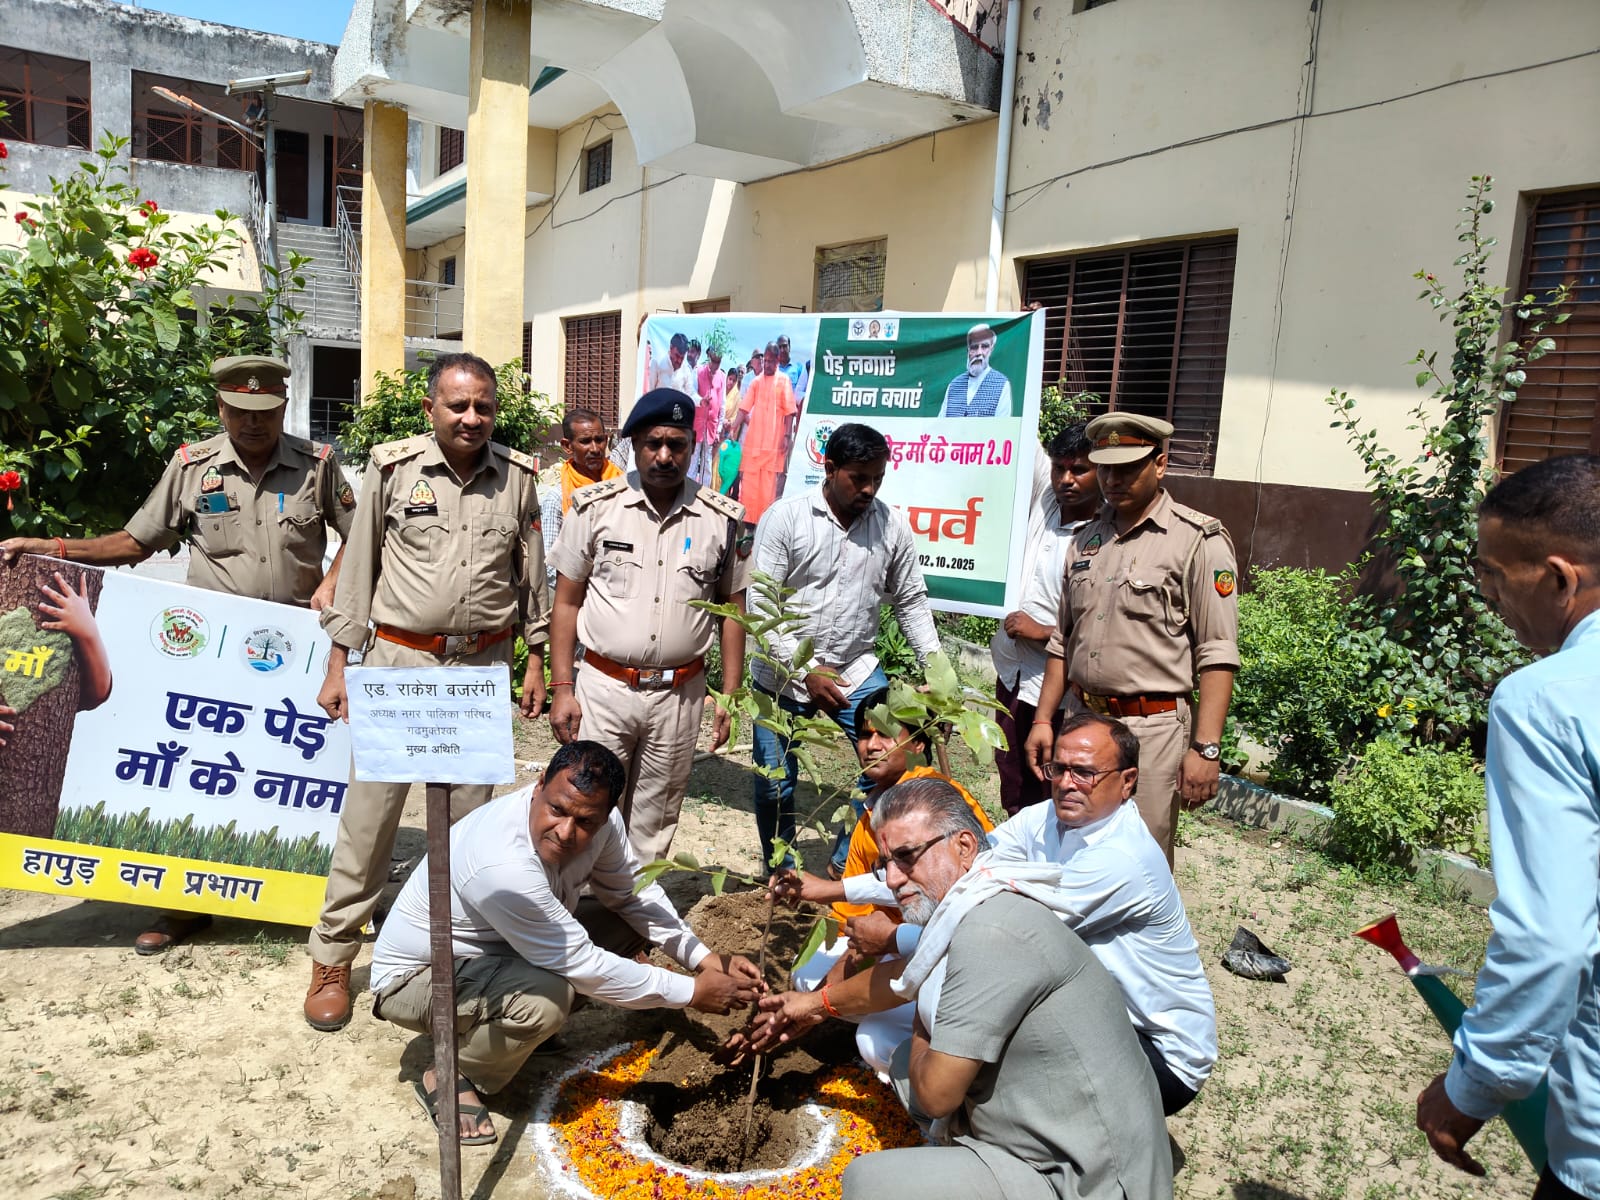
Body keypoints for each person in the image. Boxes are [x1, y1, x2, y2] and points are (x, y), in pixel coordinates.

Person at [1, 354, 354, 955]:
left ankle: (295, 894)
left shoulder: (317, 466)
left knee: (290, 778)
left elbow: (361, 532)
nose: (253, 424)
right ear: (221, 408)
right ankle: (184, 903)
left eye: (265, 412)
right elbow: (136, 540)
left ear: (282, 408)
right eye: (240, 412)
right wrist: (53, 545)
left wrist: (334, 579)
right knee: (201, 774)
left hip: (296, 652)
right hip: (210, 660)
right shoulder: (193, 468)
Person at [764, 776, 1173, 1199]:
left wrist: (923, 1027)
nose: (891, 879)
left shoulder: (990, 933)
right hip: (1057, 1139)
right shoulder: (979, 899)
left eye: (906, 857)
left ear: (963, 845)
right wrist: (815, 1004)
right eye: (884, 863)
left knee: (871, 1180)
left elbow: (937, 1095)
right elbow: (906, 978)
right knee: (903, 1058)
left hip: (1086, 1178)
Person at [304, 351, 549, 1032]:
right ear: (431, 409)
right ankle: (332, 956)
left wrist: (535, 661)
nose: (472, 418)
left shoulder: (518, 479)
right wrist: (338, 664)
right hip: (399, 665)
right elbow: (357, 572)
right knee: (371, 818)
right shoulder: (391, 469)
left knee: (469, 825)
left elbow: (532, 575)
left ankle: (449, 953)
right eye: (458, 405)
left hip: (477, 672)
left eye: (484, 407)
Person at [369, 740, 764, 1145]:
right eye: (557, 810)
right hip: (417, 978)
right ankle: (453, 1071)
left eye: (585, 821)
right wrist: (693, 991)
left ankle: (511, 1032)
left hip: (503, 949)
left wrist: (704, 959)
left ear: (607, 813)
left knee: (626, 923)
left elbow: (633, 894)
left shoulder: (601, 825)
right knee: (547, 998)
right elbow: (582, 964)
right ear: (539, 784)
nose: (565, 831)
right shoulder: (502, 864)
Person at [1414, 454, 1600, 1200]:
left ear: (1558, 578)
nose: (1489, 598)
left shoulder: (1546, 702)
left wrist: (1471, 1090)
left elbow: (1552, 939)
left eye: (1494, 577)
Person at [1025, 412, 1238, 864]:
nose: (1112, 479)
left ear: (1159, 464)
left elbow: (1217, 652)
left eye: (1127, 468)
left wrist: (1206, 748)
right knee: (1072, 845)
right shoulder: (1087, 541)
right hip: (1082, 719)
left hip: (1152, 728)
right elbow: (1064, 640)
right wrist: (1044, 719)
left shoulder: (1198, 539)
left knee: (1140, 858)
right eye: (1105, 467)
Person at [547, 388, 749, 864]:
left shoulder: (722, 519)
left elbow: (733, 612)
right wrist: (561, 685)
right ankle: (575, 911)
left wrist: (731, 695)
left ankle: (629, 920)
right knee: (587, 801)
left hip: (681, 695)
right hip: (604, 687)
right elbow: (566, 602)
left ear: (693, 446)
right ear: (633, 445)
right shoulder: (595, 507)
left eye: (676, 444)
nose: (664, 456)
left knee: (656, 815)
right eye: (653, 443)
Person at [746, 422, 940, 871]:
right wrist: (805, 670)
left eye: (878, 478)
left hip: (856, 668)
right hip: (783, 674)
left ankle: (843, 865)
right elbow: (760, 603)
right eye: (860, 477)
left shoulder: (891, 526)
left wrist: (937, 672)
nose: (870, 488)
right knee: (775, 784)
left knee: (896, 761)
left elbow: (910, 600)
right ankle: (784, 872)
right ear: (829, 469)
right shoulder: (787, 518)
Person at [770, 689, 993, 1075]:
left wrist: (820, 1005)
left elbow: (965, 898)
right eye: (864, 735)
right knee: (807, 978)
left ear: (917, 743)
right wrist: (818, 997)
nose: (871, 746)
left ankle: (931, 1072)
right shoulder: (870, 813)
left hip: (961, 948)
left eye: (886, 735)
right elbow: (855, 923)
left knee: (872, 1037)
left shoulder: (935, 802)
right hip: (902, 937)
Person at [991, 423, 1100, 815]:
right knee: (1013, 778)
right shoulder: (1044, 508)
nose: (1066, 480)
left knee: (1053, 784)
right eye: (1060, 468)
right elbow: (1023, 432)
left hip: (1060, 689)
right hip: (1012, 675)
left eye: (1079, 470)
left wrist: (1041, 632)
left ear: (1102, 472)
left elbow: (1103, 630)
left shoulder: (1108, 536)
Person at [538, 407, 624, 589]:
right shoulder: (557, 499)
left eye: (599, 440)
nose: (595, 449)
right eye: (585, 441)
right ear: (567, 446)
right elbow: (551, 566)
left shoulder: (624, 487)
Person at [729, 341, 799, 527]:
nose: (767, 365)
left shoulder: (783, 380)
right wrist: (733, 427)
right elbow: (744, 408)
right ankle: (748, 522)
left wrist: (787, 437)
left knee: (767, 487)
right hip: (754, 443)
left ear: (777, 361)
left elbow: (790, 411)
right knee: (750, 483)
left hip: (773, 443)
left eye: (770, 361)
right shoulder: (756, 382)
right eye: (765, 361)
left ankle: (764, 522)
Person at [940, 324, 1014, 419]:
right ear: (968, 350)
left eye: (984, 346)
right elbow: (941, 425)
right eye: (974, 347)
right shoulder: (953, 385)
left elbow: (1002, 427)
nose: (979, 353)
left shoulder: (1002, 384)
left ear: (991, 349)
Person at [692, 348, 726, 486]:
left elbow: (722, 405)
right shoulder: (698, 371)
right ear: (708, 357)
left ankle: (704, 495)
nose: (715, 365)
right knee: (693, 460)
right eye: (713, 361)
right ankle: (688, 492)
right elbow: (692, 395)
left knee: (707, 462)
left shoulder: (722, 376)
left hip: (711, 427)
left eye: (718, 362)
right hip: (698, 423)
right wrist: (701, 400)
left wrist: (718, 430)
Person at [648, 331, 694, 396]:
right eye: (677, 356)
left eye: (682, 358)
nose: (679, 361)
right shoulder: (657, 362)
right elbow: (650, 391)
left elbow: (690, 394)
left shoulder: (686, 369)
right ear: (671, 348)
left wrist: (700, 401)